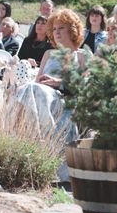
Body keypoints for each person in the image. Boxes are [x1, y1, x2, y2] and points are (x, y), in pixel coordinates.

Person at [13, 9, 89, 156]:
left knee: (31, 90)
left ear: (72, 30)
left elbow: (83, 84)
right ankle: (24, 140)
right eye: (54, 29)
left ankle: (40, 139)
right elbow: (37, 81)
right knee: (26, 89)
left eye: (61, 28)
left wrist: (58, 82)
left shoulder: (81, 55)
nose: (57, 32)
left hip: (64, 99)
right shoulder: (48, 54)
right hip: (41, 96)